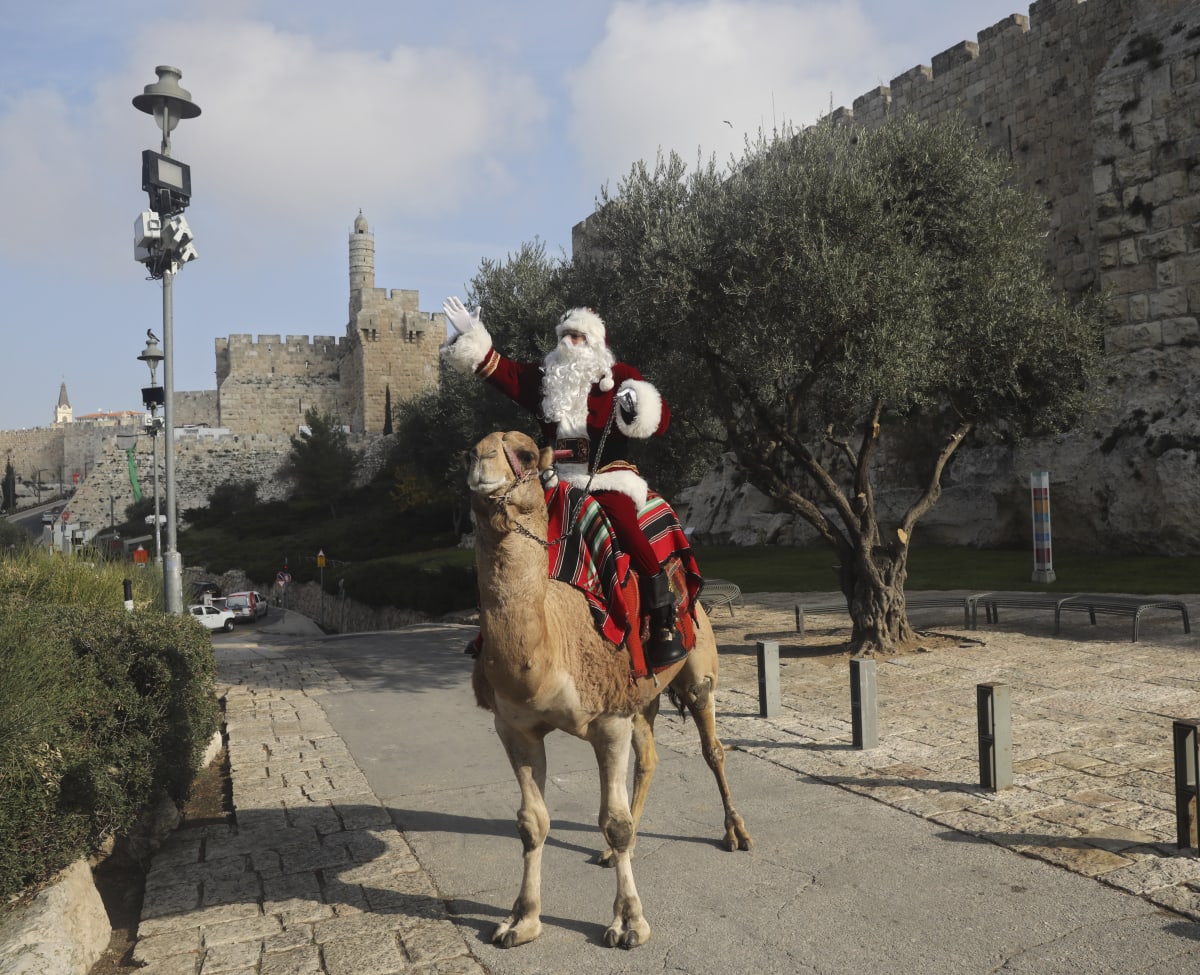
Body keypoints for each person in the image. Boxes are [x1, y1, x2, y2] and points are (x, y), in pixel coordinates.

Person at [441, 296, 686, 668]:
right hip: (559, 478)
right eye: (564, 336)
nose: (567, 343)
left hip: (609, 477)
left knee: (623, 522)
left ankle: (663, 615)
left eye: (576, 337)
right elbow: (502, 371)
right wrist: (473, 335)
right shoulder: (546, 378)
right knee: (520, 538)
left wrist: (637, 406)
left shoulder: (620, 377)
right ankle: (497, 628)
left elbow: (661, 420)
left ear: (595, 344)